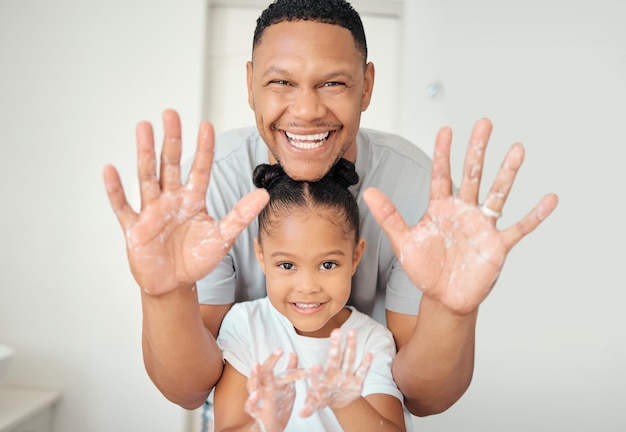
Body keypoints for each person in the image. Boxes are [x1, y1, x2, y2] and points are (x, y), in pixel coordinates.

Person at [102, 0, 559, 418]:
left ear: (367, 86)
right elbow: (189, 389)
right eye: (281, 82)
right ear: (250, 84)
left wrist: (451, 311)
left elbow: (424, 397)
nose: (306, 109)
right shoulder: (208, 188)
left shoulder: (418, 190)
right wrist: (164, 296)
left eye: (333, 83)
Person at [213, 159, 406, 431]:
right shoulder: (246, 325)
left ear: (355, 257)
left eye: (328, 265)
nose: (307, 286)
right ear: (261, 256)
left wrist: (345, 403)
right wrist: (263, 426)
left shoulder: (371, 341)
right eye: (287, 265)